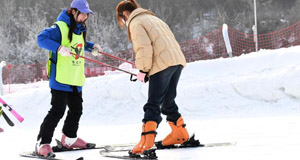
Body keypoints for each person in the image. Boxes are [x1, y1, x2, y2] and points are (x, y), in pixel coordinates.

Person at [116, 0, 189, 154]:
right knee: (168, 101)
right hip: (176, 61)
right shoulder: (154, 18)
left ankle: (147, 142)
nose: (125, 21)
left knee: (153, 103)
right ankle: (180, 133)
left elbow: (144, 48)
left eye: (123, 19)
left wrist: (143, 70)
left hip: (161, 64)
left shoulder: (135, 22)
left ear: (126, 14)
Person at [36, 0, 102, 157]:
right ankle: (43, 143)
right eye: (83, 13)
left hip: (75, 77)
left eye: (87, 14)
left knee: (76, 110)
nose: (85, 16)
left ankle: (70, 139)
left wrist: (92, 47)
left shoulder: (79, 28)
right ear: (73, 12)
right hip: (60, 77)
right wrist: (58, 48)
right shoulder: (59, 27)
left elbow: (78, 44)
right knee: (57, 111)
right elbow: (41, 38)